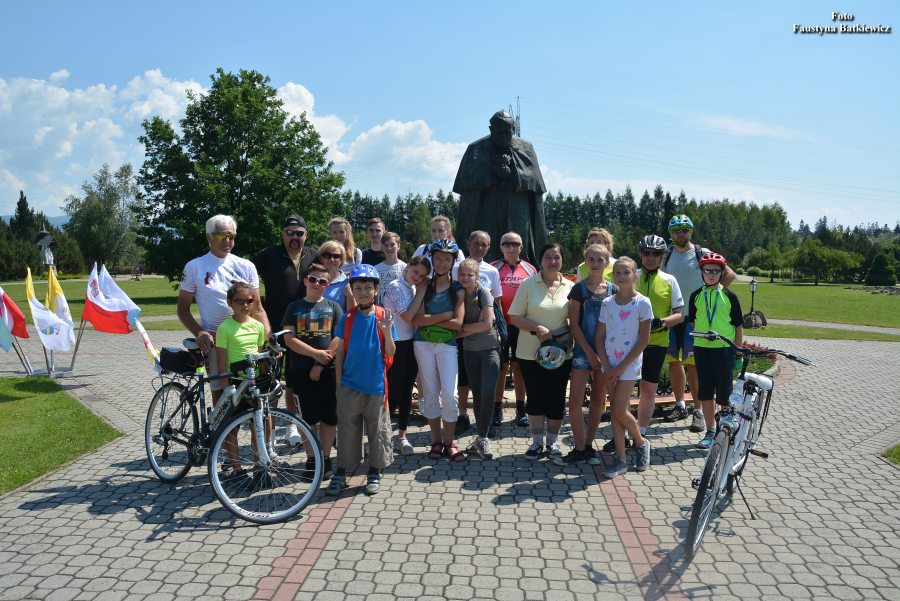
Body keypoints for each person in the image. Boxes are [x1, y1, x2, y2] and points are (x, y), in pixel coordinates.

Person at [177, 214, 269, 399]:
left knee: (253, 396)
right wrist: (199, 332)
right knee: (222, 399)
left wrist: (267, 341)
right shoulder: (194, 266)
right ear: (208, 237)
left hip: (245, 339)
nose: (227, 241)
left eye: (231, 237)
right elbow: (182, 309)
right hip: (215, 342)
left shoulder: (247, 266)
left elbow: (257, 308)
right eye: (221, 236)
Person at [661, 215, 736, 431]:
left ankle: (699, 411)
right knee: (674, 363)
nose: (680, 234)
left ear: (691, 232)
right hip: (673, 316)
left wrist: (714, 295)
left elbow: (728, 274)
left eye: (684, 230)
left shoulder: (701, 253)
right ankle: (680, 405)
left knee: (694, 366)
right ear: (671, 233)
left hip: (696, 319)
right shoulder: (666, 255)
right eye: (676, 231)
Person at [327, 264, 397, 496]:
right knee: (347, 429)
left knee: (377, 430)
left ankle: (375, 470)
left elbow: (391, 352)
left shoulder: (382, 316)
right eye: (359, 288)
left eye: (368, 287)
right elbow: (341, 353)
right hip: (349, 385)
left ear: (376, 290)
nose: (364, 292)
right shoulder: (347, 317)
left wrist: (387, 332)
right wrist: (338, 383)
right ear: (352, 291)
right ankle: (342, 471)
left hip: (376, 386)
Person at [251, 214, 317, 443]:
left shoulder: (313, 255)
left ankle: (292, 426)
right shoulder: (269, 255)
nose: (294, 237)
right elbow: (244, 274)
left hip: (305, 329)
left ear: (305, 235)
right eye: (290, 233)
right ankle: (267, 438)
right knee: (271, 381)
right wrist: (253, 304)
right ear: (282, 234)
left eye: (299, 233)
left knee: (295, 381)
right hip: (274, 330)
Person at [453, 111, 548, 266]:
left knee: (518, 246)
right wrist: (490, 172)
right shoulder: (476, 149)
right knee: (487, 246)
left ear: (514, 130)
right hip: (486, 208)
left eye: (507, 133)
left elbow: (534, 182)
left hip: (518, 208)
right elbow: (467, 184)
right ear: (491, 130)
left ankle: (520, 275)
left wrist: (513, 174)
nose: (504, 137)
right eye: (499, 133)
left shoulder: (526, 147)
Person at [507, 243, 574, 461]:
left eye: (556, 257)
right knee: (535, 397)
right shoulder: (528, 284)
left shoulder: (571, 287)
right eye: (548, 257)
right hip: (530, 353)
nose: (553, 261)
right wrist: (537, 327)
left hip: (561, 354)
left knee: (556, 397)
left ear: (562, 260)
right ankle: (536, 443)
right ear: (541, 260)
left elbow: (576, 320)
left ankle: (552, 444)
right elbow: (514, 317)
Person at [554, 244, 617, 466]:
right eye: (591, 259)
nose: (595, 263)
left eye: (600, 259)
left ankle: (589, 447)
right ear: (585, 262)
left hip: (607, 354)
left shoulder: (613, 291)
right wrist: (590, 354)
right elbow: (574, 326)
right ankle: (579, 447)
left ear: (607, 263)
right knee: (574, 402)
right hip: (583, 351)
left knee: (599, 401)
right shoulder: (578, 290)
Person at [281, 262, 342, 480]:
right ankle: (311, 458)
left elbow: (339, 337)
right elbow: (289, 339)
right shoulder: (294, 307)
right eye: (313, 279)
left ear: (327, 285)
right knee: (307, 418)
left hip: (327, 370)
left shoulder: (334, 307)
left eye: (323, 281)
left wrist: (321, 362)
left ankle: (325, 458)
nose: (317, 284)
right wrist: (314, 355)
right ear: (306, 280)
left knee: (329, 417)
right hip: (300, 370)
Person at [409, 239, 465, 462]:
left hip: (447, 345)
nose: (442, 262)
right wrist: (443, 317)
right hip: (422, 343)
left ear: (453, 261)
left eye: (447, 259)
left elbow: (458, 323)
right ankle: (437, 441)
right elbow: (416, 319)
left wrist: (429, 321)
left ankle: (450, 442)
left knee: (450, 396)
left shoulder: (458, 287)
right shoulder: (425, 284)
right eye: (438, 257)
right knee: (430, 394)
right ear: (432, 258)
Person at [596, 257, 652, 478]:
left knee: (619, 409)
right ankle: (620, 460)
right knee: (615, 413)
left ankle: (640, 442)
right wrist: (606, 365)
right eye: (617, 273)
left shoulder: (642, 303)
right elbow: (599, 338)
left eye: (626, 272)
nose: (621, 277)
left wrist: (620, 368)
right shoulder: (607, 303)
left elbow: (643, 340)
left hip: (628, 366)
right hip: (609, 365)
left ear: (634, 275)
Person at [630, 235, 684, 450]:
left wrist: (662, 322)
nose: (650, 257)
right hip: (629, 343)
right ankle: (624, 430)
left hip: (656, 342)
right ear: (640, 254)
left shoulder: (670, 280)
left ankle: (640, 432)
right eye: (646, 253)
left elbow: (679, 314)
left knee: (647, 389)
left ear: (663, 256)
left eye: (655, 254)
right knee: (623, 388)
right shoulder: (631, 276)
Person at [686, 252, 744, 450]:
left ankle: (724, 428)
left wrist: (738, 350)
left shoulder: (729, 296)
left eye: (715, 271)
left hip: (723, 348)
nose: (711, 274)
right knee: (706, 392)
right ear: (701, 272)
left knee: (724, 392)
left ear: (721, 273)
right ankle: (711, 430)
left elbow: (737, 325)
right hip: (702, 348)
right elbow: (693, 320)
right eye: (707, 271)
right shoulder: (695, 296)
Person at [214, 282, 267, 477]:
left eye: (249, 300)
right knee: (232, 427)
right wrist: (227, 389)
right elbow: (221, 365)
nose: (245, 305)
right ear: (230, 303)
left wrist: (267, 371)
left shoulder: (258, 326)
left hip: (254, 382)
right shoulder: (224, 328)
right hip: (235, 382)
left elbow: (260, 356)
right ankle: (236, 469)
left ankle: (258, 465)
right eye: (239, 301)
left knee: (257, 425)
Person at [381, 255, 431, 455]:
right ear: (408, 265)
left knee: (407, 391)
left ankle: (401, 436)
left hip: (412, 343)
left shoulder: (412, 287)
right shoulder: (395, 286)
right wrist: (422, 292)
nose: (418, 277)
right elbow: (408, 316)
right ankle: (380, 436)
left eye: (422, 276)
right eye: (416, 272)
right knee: (393, 392)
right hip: (395, 344)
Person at [455, 230, 503, 436]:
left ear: (477, 276)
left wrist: (461, 330)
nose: (465, 277)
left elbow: (487, 323)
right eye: (462, 274)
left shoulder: (482, 292)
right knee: (476, 391)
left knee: (488, 391)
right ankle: (481, 429)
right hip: (469, 349)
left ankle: (484, 432)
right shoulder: (456, 293)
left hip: (489, 346)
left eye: (470, 275)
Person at [490, 231, 537, 427]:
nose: (511, 247)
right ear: (501, 247)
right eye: (506, 243)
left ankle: (521, 409)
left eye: (515, 244)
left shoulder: (530, 269)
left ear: (521, 247)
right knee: (500, 368)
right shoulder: (493, 268)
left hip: (521, 325)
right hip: (499, 325)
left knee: (520, 367)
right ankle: (496, 409)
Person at [317, 240, 356, 312]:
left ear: (341, 260)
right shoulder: (313, 280)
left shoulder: (348, 282)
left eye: (336, 256)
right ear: (321, 258)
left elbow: (353, 314)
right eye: (328, 256)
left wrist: (350, 295)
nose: (332, 259)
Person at [374, 231, 406, 304]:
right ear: (382, 247)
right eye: (386, 245)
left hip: (400, 310)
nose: (389, 248)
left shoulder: (405, 267)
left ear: (398, 246)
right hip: (381, 309)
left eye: (392, 244)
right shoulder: (376, 268)